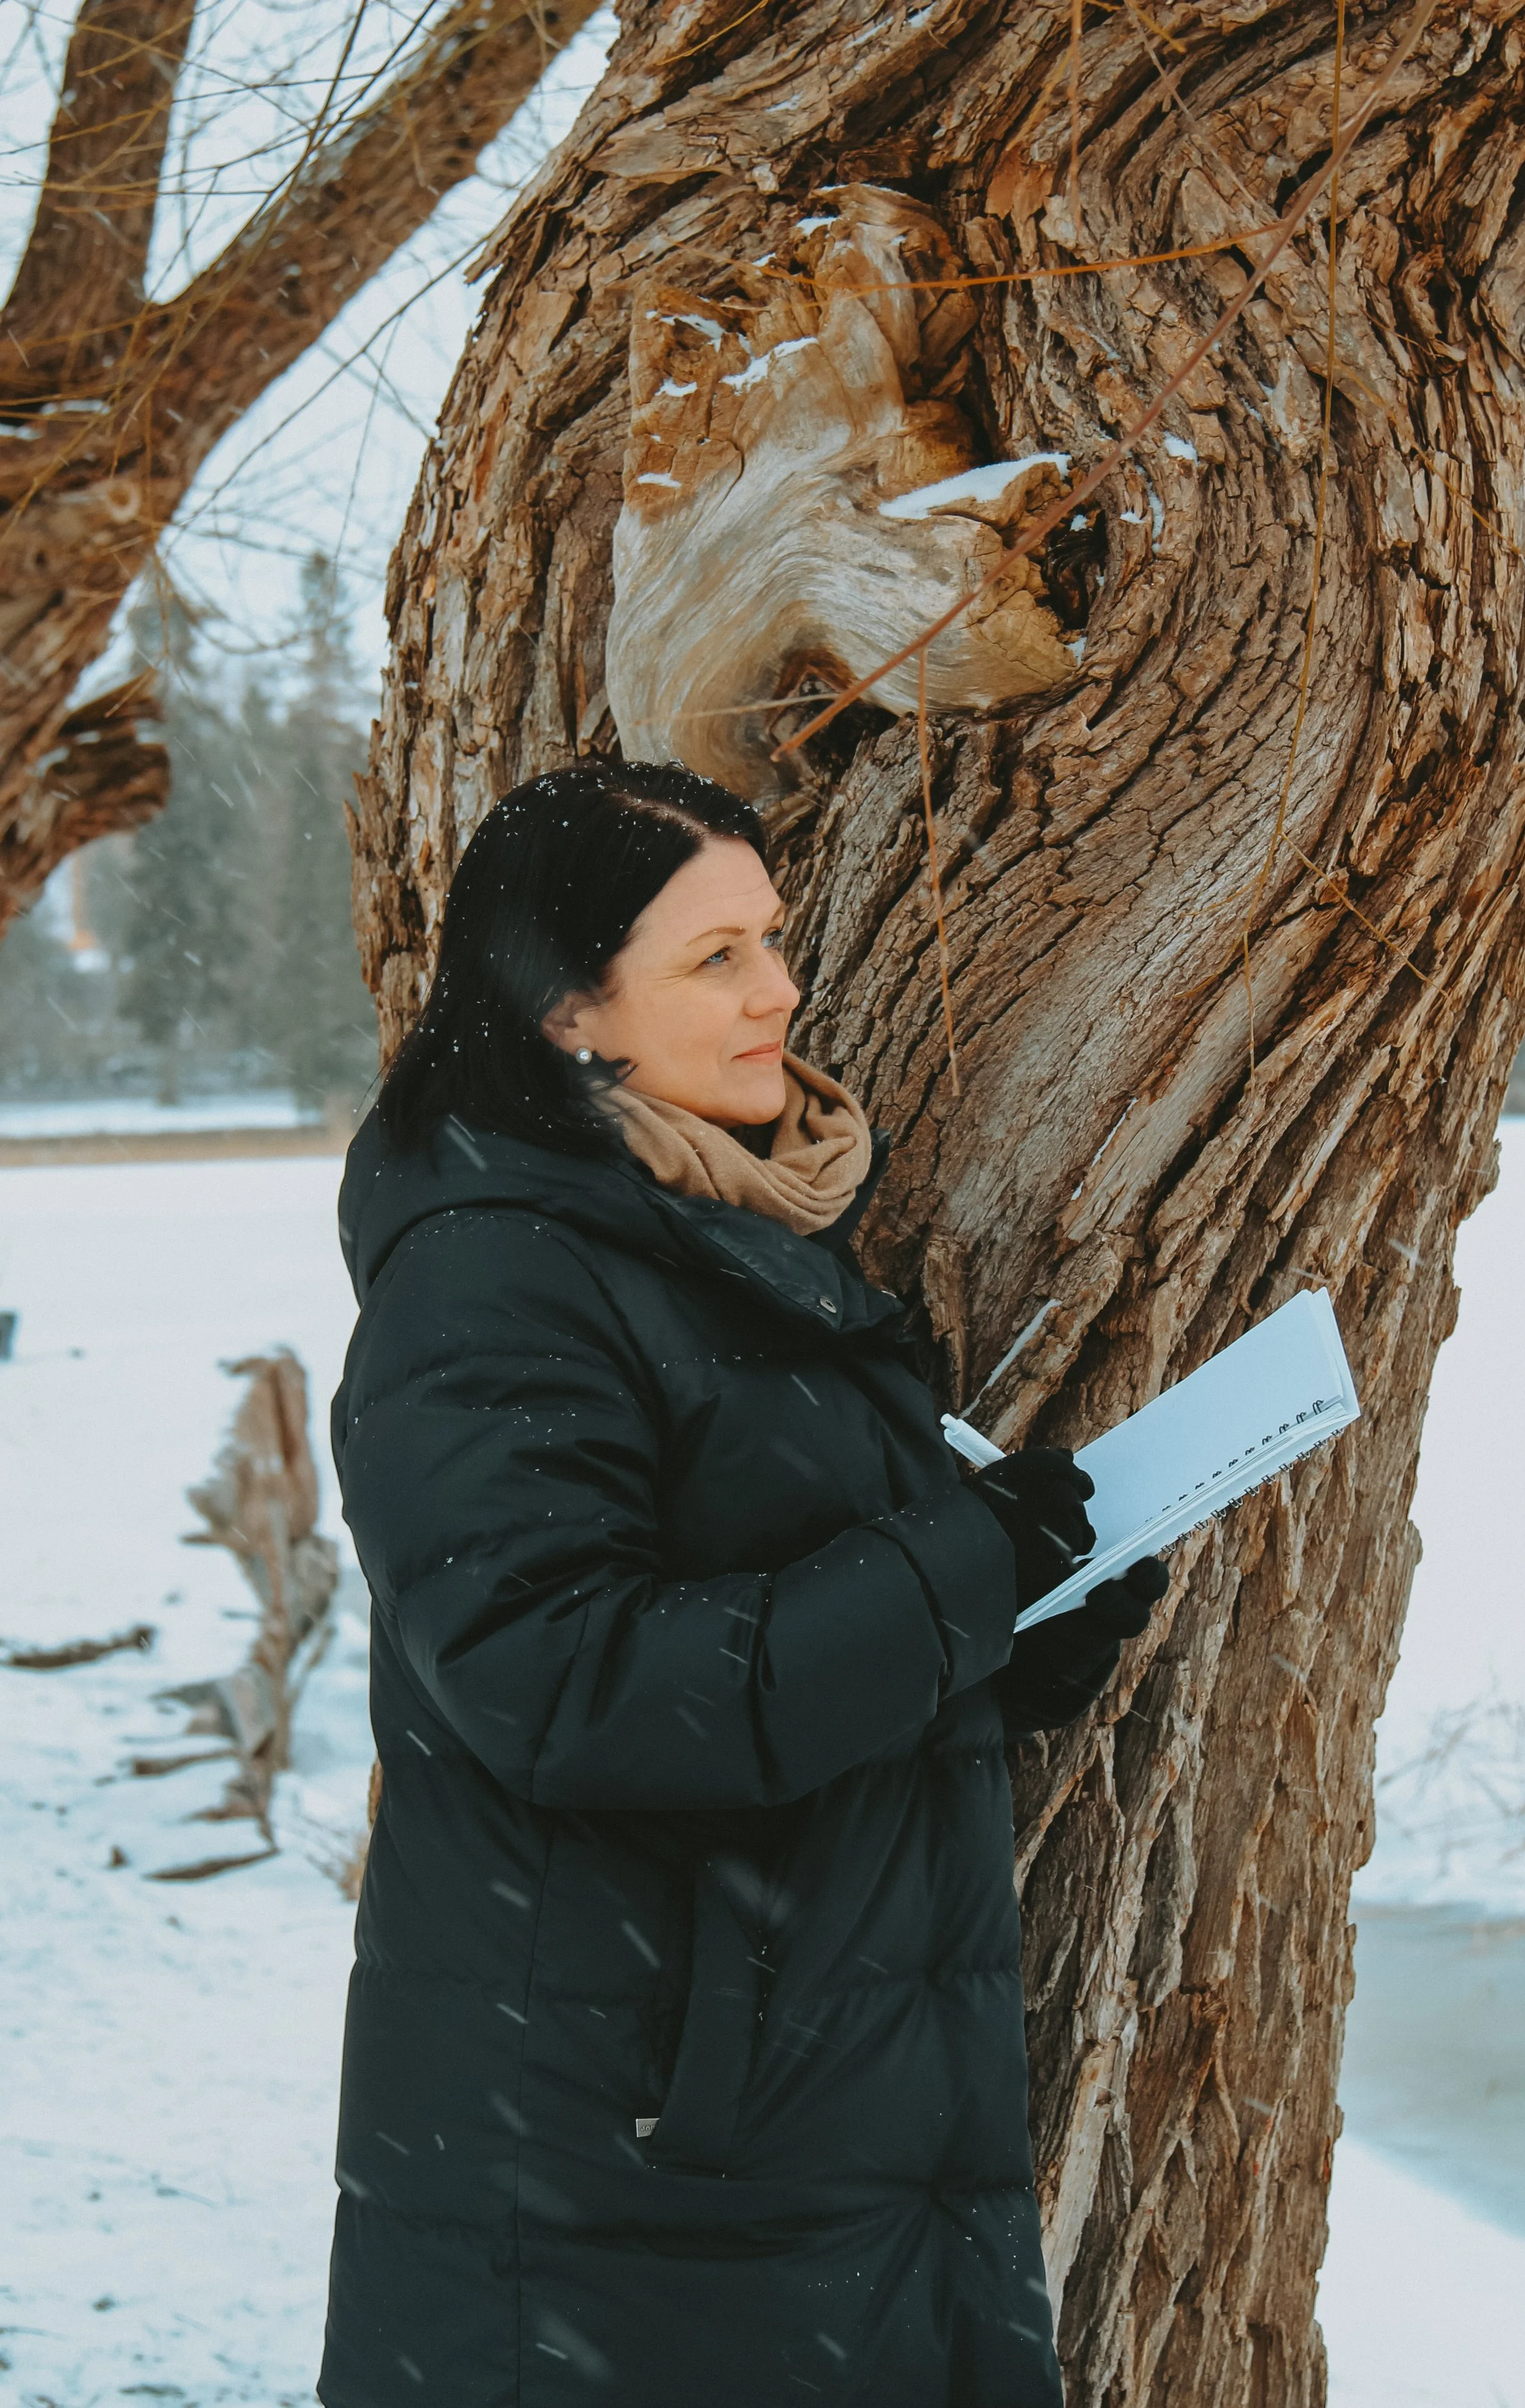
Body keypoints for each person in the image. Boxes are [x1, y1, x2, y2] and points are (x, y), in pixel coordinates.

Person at [320, 760, 1167, 2407]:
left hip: (804, 2134)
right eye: (716, 958)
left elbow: (762, 1608)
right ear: (569, 1011)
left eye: (770, 940)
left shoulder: (722, 1233)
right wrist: (945, 1582)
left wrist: (1003, 1638)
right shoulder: (492, 1274)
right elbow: (562, 1684)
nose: (781, 987)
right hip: (626, 2168)